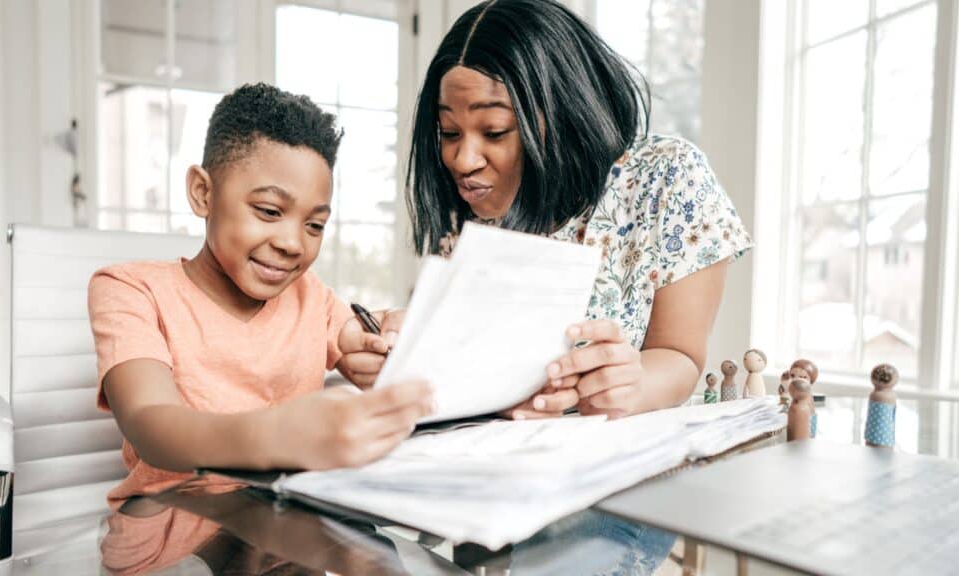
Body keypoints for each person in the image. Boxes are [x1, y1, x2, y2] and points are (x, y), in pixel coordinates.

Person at [339, 0, 751, 422]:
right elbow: (476, 364)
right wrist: (401, 349)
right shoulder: (476, 206)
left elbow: (678, 356)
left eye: (494, 131)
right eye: (448, 132)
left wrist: (632, 383)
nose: (462, 160)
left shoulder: (667, 174)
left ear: (562, 112)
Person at [88, 83, 433, 504]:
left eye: (315, 225)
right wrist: (278, 435)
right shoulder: (130, 291)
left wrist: (392, 338)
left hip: (288, 519)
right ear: (203, 192)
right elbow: (149, 425)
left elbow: (355, 336)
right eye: (269, 211)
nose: (293, 243)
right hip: (170, 527)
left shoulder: (312, 298)